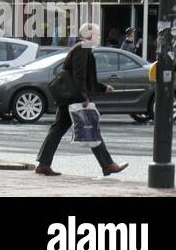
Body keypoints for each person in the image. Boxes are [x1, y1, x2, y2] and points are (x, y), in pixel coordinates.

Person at [36, 24, 128, 178]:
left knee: (60, 129)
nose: (99, 37)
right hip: (75, 97)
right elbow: (79, 76)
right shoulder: (82, 48)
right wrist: (84, 97)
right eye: (97, 34)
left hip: (72, 96)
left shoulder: (83, 48)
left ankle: (43, 164)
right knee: (90, 128)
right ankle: (107, 165)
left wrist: (103, 87)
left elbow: (83, 75)